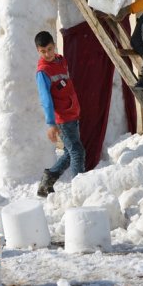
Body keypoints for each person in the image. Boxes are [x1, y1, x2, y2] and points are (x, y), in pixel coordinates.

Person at [34, 31, 86, 197]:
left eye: (49, 49)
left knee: (70, 153)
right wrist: (51, 123)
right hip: (62, 118)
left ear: (54, 45)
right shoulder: (43, 72)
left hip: (72, 113)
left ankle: (46, 182)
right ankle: (80, 190)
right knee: (77, 152)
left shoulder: (61, 60)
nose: (47, 54)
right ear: (38, 51)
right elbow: (46, 99)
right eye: (43, 51)